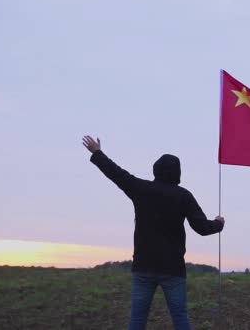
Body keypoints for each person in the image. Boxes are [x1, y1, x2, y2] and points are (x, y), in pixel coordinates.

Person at [82, 135, 224, 330]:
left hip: (143, 267)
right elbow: (201, 228)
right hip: (173, 269)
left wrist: (97, 153)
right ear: (177, 173)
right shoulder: (184, 195)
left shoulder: (141, 189)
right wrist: (218, 223)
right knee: (180, 318)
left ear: (155, 170)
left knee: (138, 318)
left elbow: (116, 173)